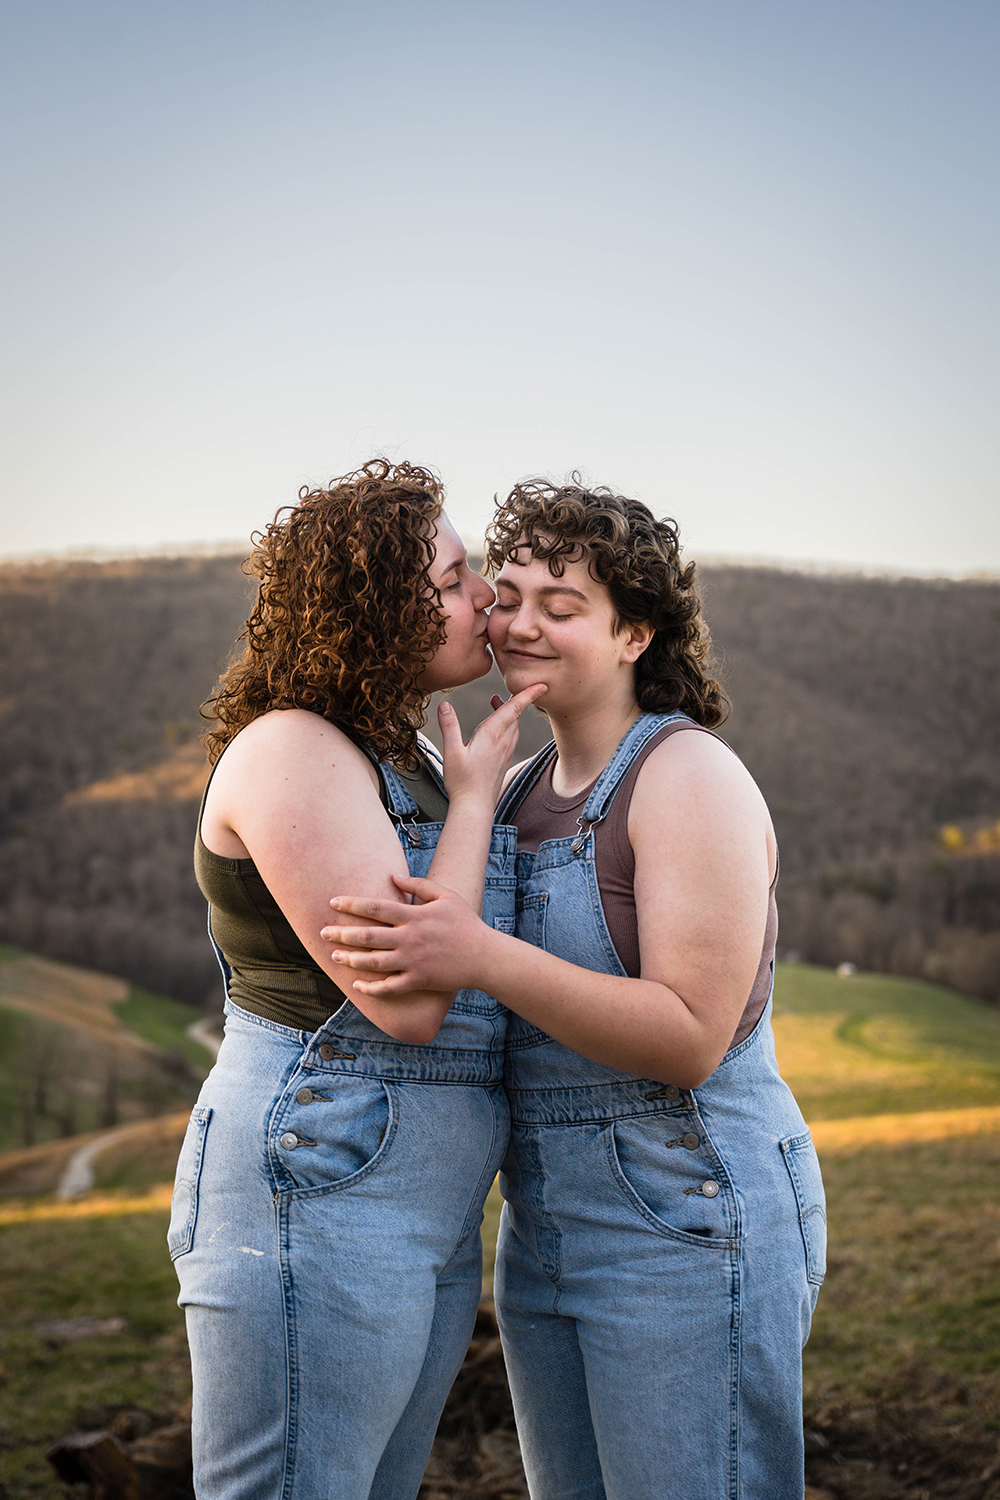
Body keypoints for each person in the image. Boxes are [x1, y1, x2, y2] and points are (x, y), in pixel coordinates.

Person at [322, 478, 828, 1500]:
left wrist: (475, 952)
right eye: (506, 597)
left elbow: (689, 1033)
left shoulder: (685, 777)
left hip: (683, 1211)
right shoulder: (510, 793)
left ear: (636, 633)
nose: (521, 626)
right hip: (543, 1224)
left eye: (563, 607)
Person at [168, 459, 544, 1500]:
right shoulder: (294, 748)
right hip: (317, 1177)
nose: (486, 597)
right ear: (379, 602)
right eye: (458, 575)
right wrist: (474, 805)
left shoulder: (399, 748)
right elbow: (407, 997)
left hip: (412, 1191)